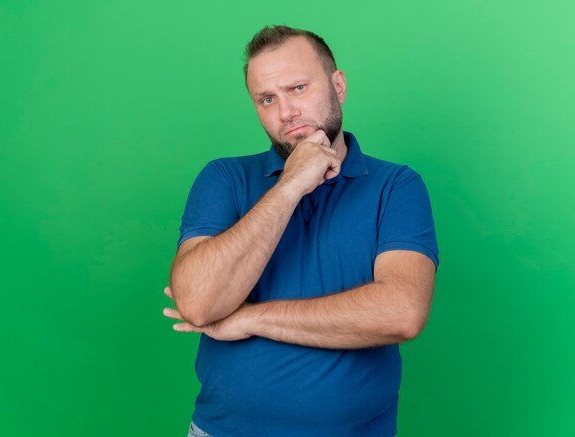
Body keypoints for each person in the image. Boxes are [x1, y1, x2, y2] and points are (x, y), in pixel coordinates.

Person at [163, 25, 439, 437]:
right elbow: (199, 304)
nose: (286, 111)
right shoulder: (224, 178)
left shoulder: (396, 186)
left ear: (338, 85)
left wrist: (250, 319)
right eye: (267, 98)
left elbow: (402, 313)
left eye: (298, 88)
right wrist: (290, 185)